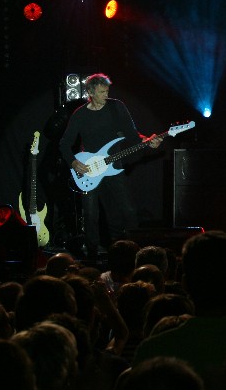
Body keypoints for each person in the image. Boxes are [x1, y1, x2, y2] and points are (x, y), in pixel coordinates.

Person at [58, 73, 163, 260]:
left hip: (113, 167)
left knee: (128, 210)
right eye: (101, 92)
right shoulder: (80, 114)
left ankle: (134, 251)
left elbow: (132, 135)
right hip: (89, 170)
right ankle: (91, 255)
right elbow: (64, 144)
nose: (106, 95)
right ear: (90, 93)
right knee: (91, 214)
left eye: (107, 91)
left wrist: (148, 141)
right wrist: (74, 162)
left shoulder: (117, 107)